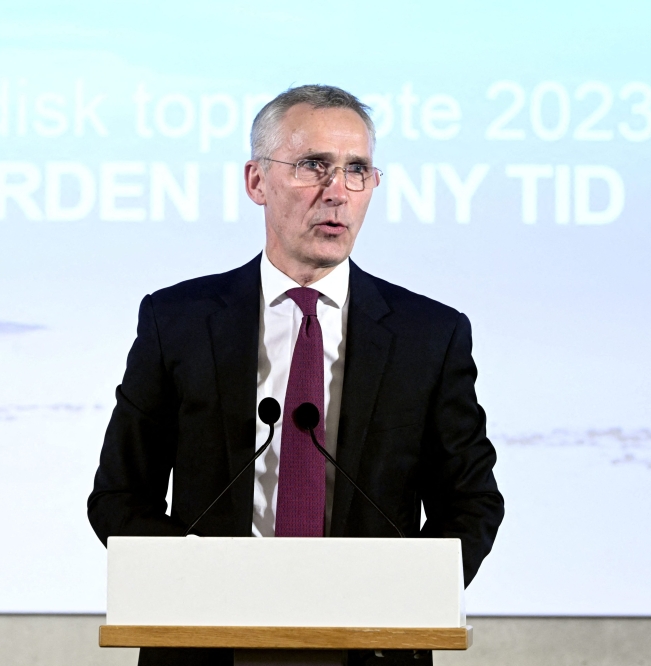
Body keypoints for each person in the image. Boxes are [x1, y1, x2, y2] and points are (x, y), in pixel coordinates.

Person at [88, 85, 504, 666]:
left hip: (370, 646)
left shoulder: (428, 336)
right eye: (314, 166)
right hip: (210, 644)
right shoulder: (177, 321)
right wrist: (197, 586)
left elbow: (472, 502)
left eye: (357, 171)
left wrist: (404, 597)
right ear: (257, 181)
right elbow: (118, 495)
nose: (337, 193)